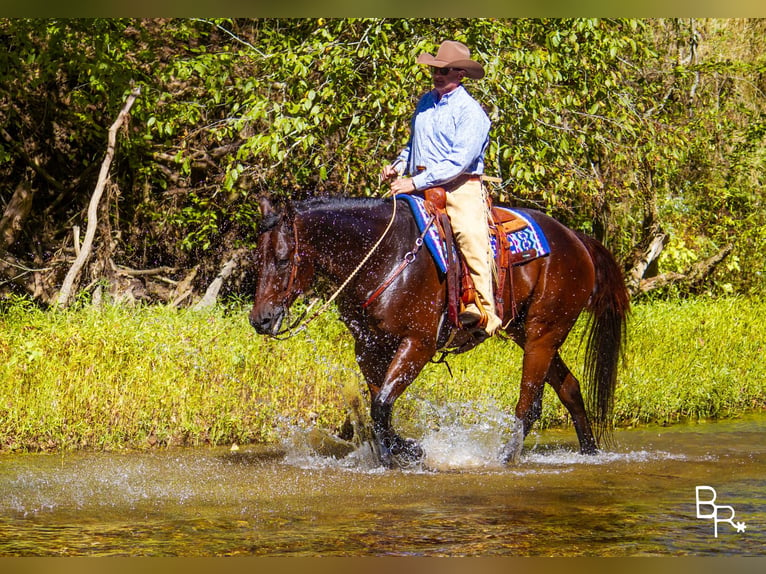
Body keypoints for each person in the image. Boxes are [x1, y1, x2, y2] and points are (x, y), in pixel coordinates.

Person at [381, 40, 502, 339]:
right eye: (436, 70)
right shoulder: (425, 102)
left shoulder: (471, 113)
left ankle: (485, 314)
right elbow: (414, 145)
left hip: (460, 187)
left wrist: (414, 182)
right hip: (420, 183)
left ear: (460, 74)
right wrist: (398, 165)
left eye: (445, 71)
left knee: (471, 239)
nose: (438, 75)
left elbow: (457, 163)